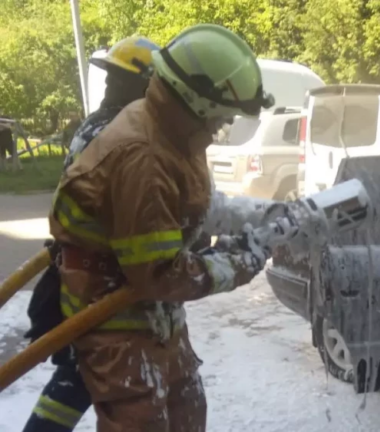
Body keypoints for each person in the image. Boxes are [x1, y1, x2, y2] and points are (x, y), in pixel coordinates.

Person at [29, 28, 274, 432]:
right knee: (140, 419)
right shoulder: (142, 154)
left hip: (152, 313)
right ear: (196, 103)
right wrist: (235, 264)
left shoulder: (174, 137)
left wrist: (268, 215)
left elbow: (198, 207)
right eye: (221, 115)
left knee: (187, 408)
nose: (222, 126)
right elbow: (158, 274)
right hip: (114, 312)